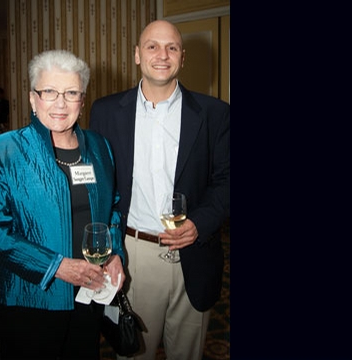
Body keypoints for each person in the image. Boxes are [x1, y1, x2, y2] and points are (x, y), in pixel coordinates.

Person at [89, 20, 230, 360]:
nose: (162, 55)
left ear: (183, 57)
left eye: (172, 47)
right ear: (137, 55)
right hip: (134, 256)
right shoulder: (105, 112)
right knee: (133, 353)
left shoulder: (216, 114)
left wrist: (200, 222)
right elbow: (99, 186)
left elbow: (227, 180)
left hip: (195, 254)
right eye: (152, 46)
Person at [0, 49, 126, 359]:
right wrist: (57, 267)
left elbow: (113, 210)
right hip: (31, 298)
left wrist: (114, 252)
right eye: (49, 91)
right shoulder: (4, 150)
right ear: (32, 98)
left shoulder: (99, 147)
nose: (61, 103)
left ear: (82, 98)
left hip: (88, 294)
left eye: (71, 93)